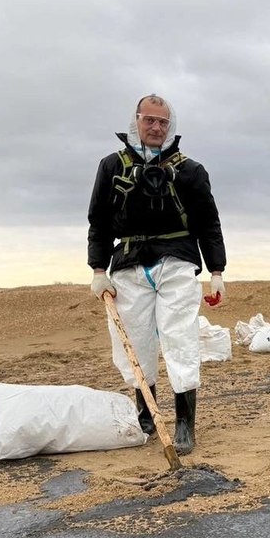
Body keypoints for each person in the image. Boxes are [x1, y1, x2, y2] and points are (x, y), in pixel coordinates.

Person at [87, 94, 227, 455]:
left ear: (171, 126)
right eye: (149, 120)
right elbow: (98, 222)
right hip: (130, 262)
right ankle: (146, 415)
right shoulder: (111, 167)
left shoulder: (190, 171)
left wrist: (216, 271)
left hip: (177, 260)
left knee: (179, 337)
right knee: (135, 341)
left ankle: (184, 422)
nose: (156, 127)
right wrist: (98, 269)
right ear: (136, 121)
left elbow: (209, 223)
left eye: (163, 122)